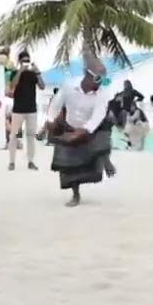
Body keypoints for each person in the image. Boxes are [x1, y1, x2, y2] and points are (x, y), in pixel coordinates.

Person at [45, 55, 113, 207]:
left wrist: (82, 133)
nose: (100, 83)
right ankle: (75, 194)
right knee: (68, 165)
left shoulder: (103, 94)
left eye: (103, 80)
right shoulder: (69, 86)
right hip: (68, 125)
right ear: (88, 76)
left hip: (89, 129)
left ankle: (104, 156)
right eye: (98, 79)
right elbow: (55, 105)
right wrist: (50, 121)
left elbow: (97, 117)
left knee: (102, 141)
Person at [6, 49, 44, 171]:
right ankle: (12, 162)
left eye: (27, 61)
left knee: (30, 136)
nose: (26, 63)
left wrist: (38, 73)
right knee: (13, 136)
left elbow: (42, 86)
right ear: (19, 62)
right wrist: (20, 71)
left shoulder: (33, 74)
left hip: (31, 109)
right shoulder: (14, 73)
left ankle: (31, 161)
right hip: (18, 109)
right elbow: (12, 86)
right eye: (23, 61)